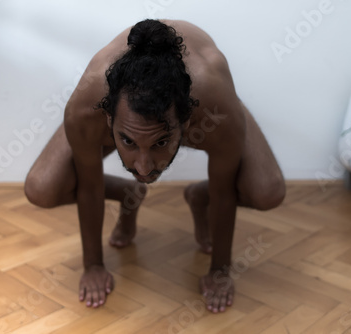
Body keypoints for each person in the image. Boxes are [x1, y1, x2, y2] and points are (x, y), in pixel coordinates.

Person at [24, 19, 285, 313]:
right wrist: (93, 265)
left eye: (160, 143)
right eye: (128, 142)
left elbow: (224, 193)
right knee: (41, 188)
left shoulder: (217, 108)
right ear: (108, 120)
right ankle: (126, 194)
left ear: (186, 125)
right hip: (119, 107)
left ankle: (199, 197)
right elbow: (90, 185)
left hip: (208, 100)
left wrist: (219, 272)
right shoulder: (86, 108)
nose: (145, 168)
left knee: (268, 191)